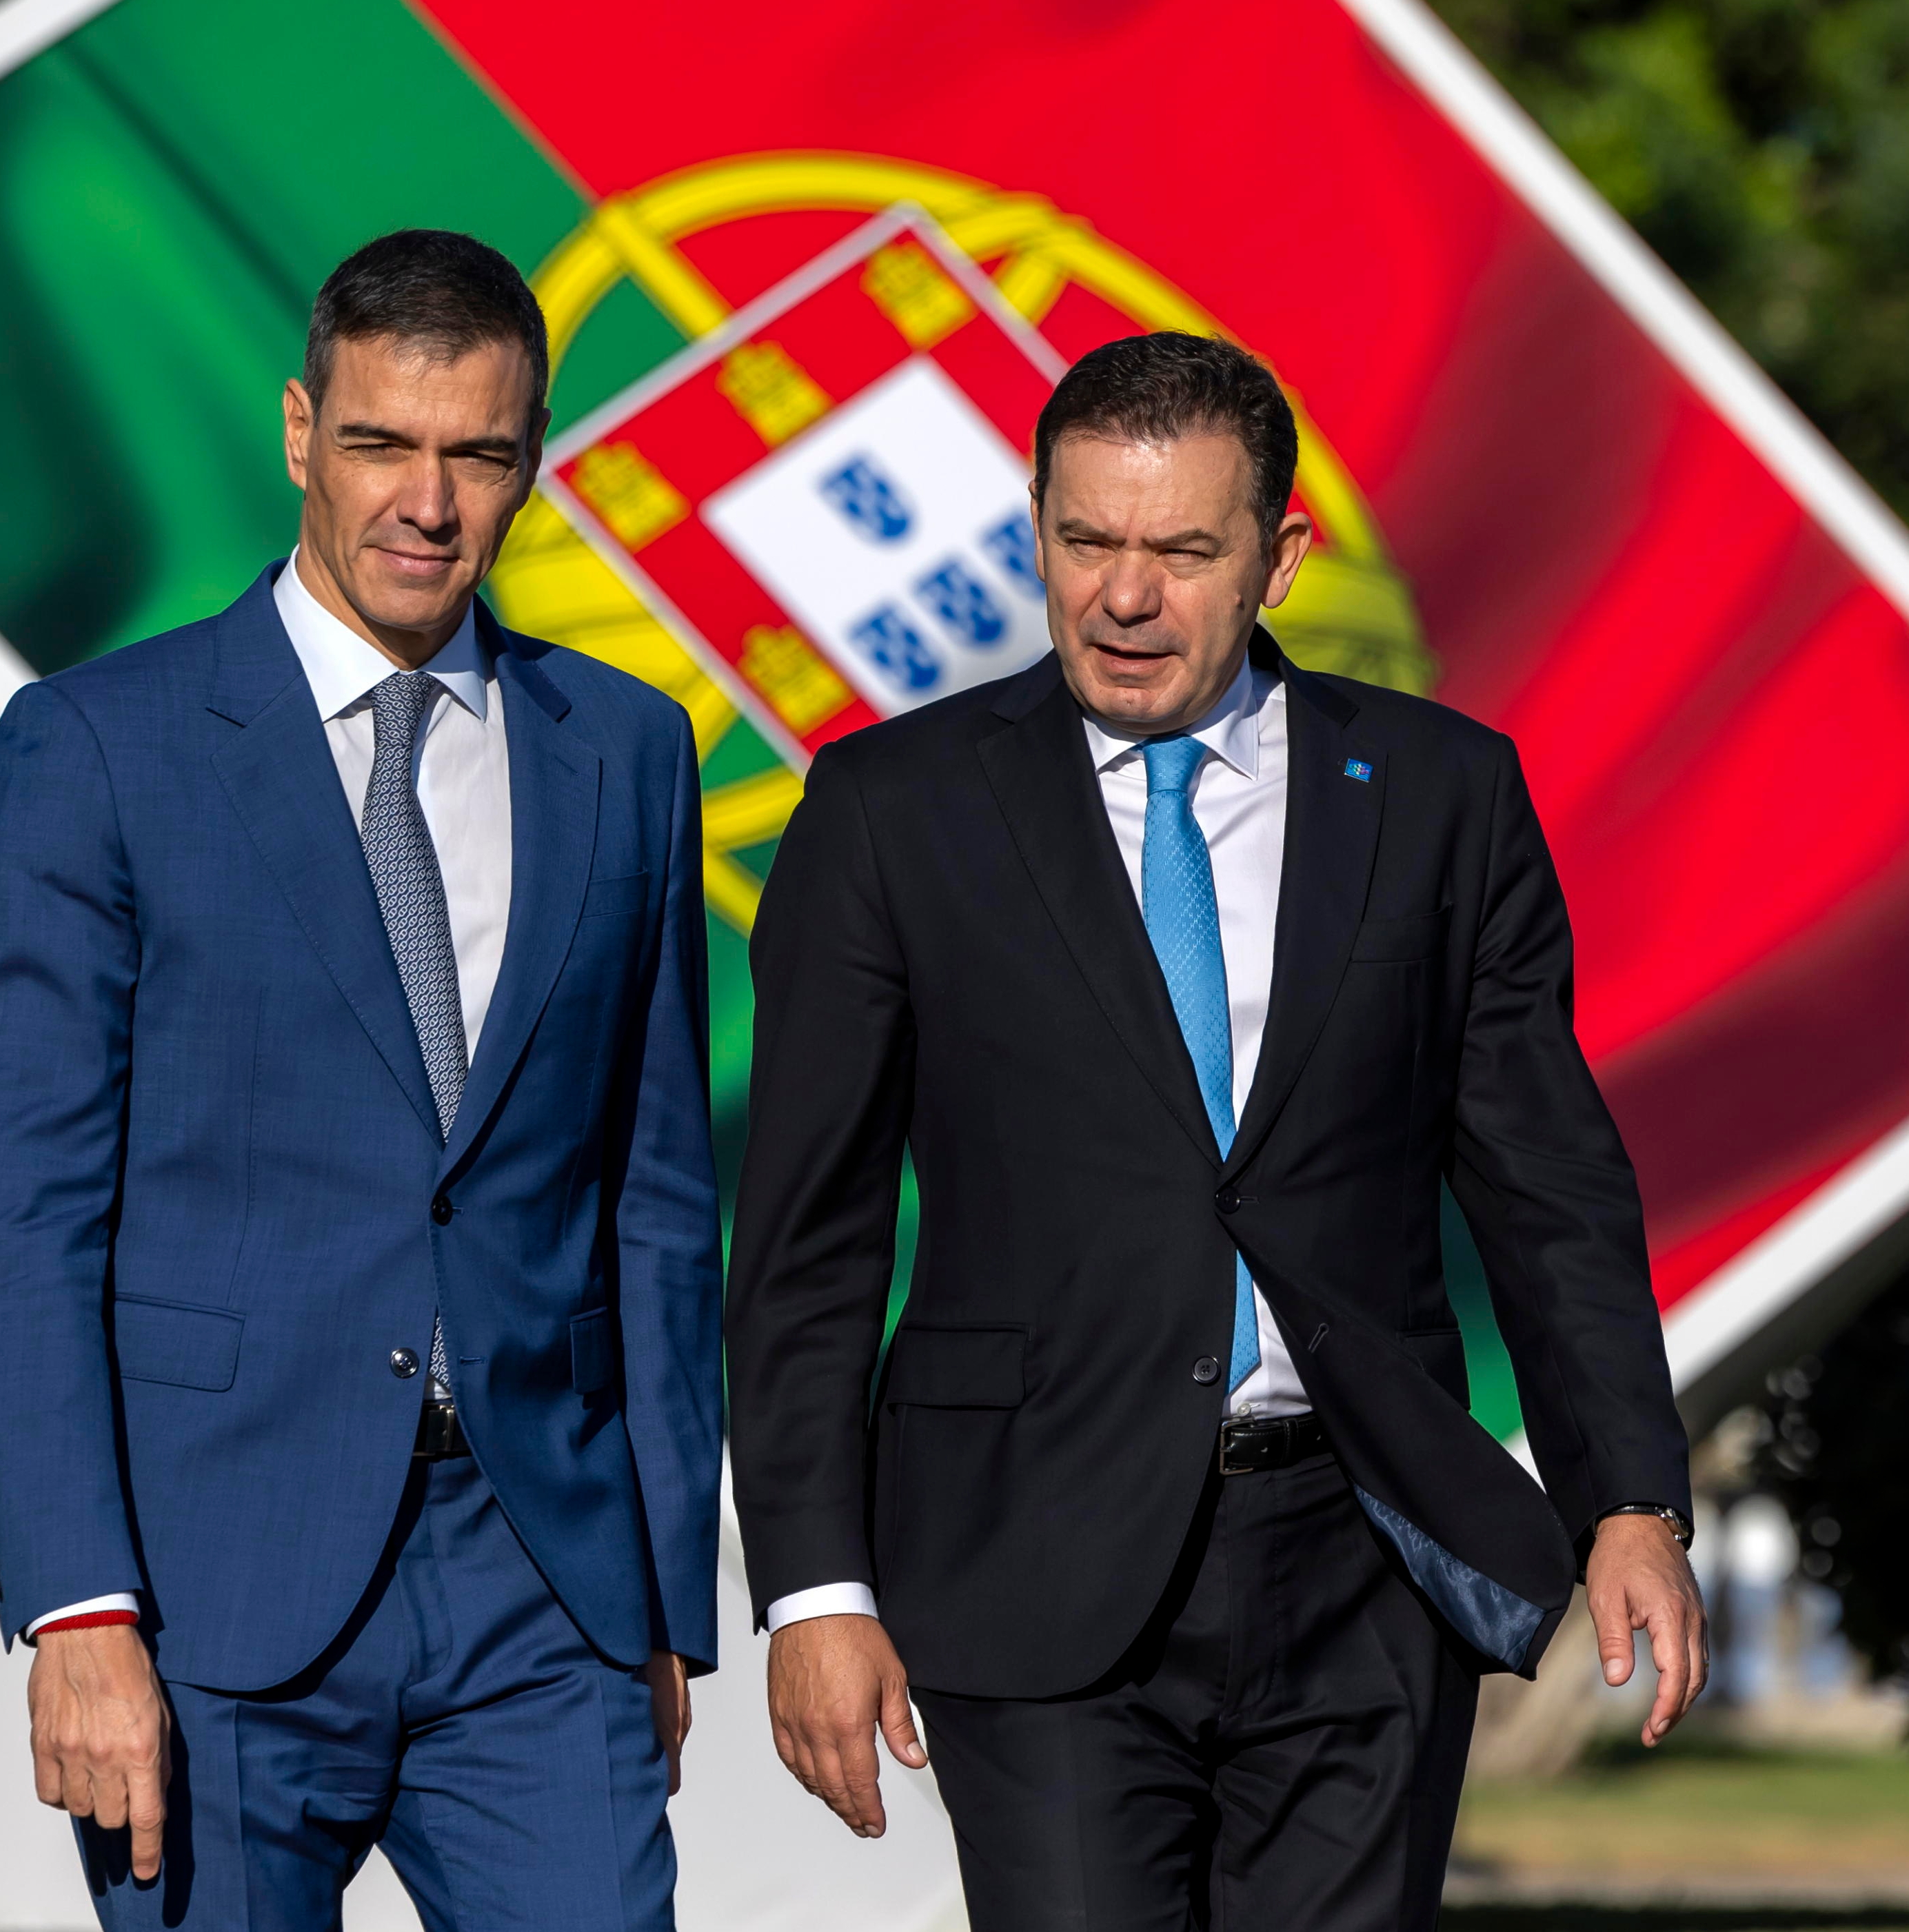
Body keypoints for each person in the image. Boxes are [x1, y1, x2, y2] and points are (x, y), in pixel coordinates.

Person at [727, 332, 1705, 1930]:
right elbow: (805, 1242)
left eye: (1181, 551)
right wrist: (815, 1588)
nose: (1125, 597)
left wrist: (1626, 1500)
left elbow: (1546, 1184)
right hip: (1024, 1556)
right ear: (1034, 532)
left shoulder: (1438, 797)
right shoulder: (890, 812)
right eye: (1086, 541)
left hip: (1362, 1559)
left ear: (1279, 555)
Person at [0, 229, 721, 1932]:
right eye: (380, 442)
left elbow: (653, 1194)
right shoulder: (96, 750)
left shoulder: (628, 753)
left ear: (533, 461)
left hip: (546, 1590)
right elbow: (22, 1215)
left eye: (476, 454)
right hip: (209, 1586)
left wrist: (661, 1581)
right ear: (300, 430)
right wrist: (76, 1608)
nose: (424, 501)